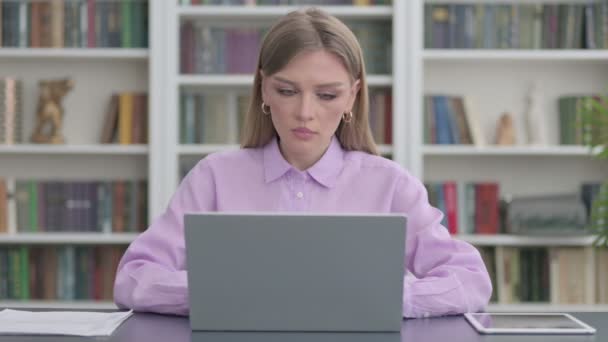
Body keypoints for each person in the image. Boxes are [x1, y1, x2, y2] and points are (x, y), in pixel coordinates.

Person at [114, 7, 492, 318]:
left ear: (352, 97)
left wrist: (390, 298)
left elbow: (471, 279)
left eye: (327, 95)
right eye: (287, 91)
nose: (305, 112)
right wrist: (219, 294)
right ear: (264, 88)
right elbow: (133, 278)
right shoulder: (214, 177)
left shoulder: (390, 185)